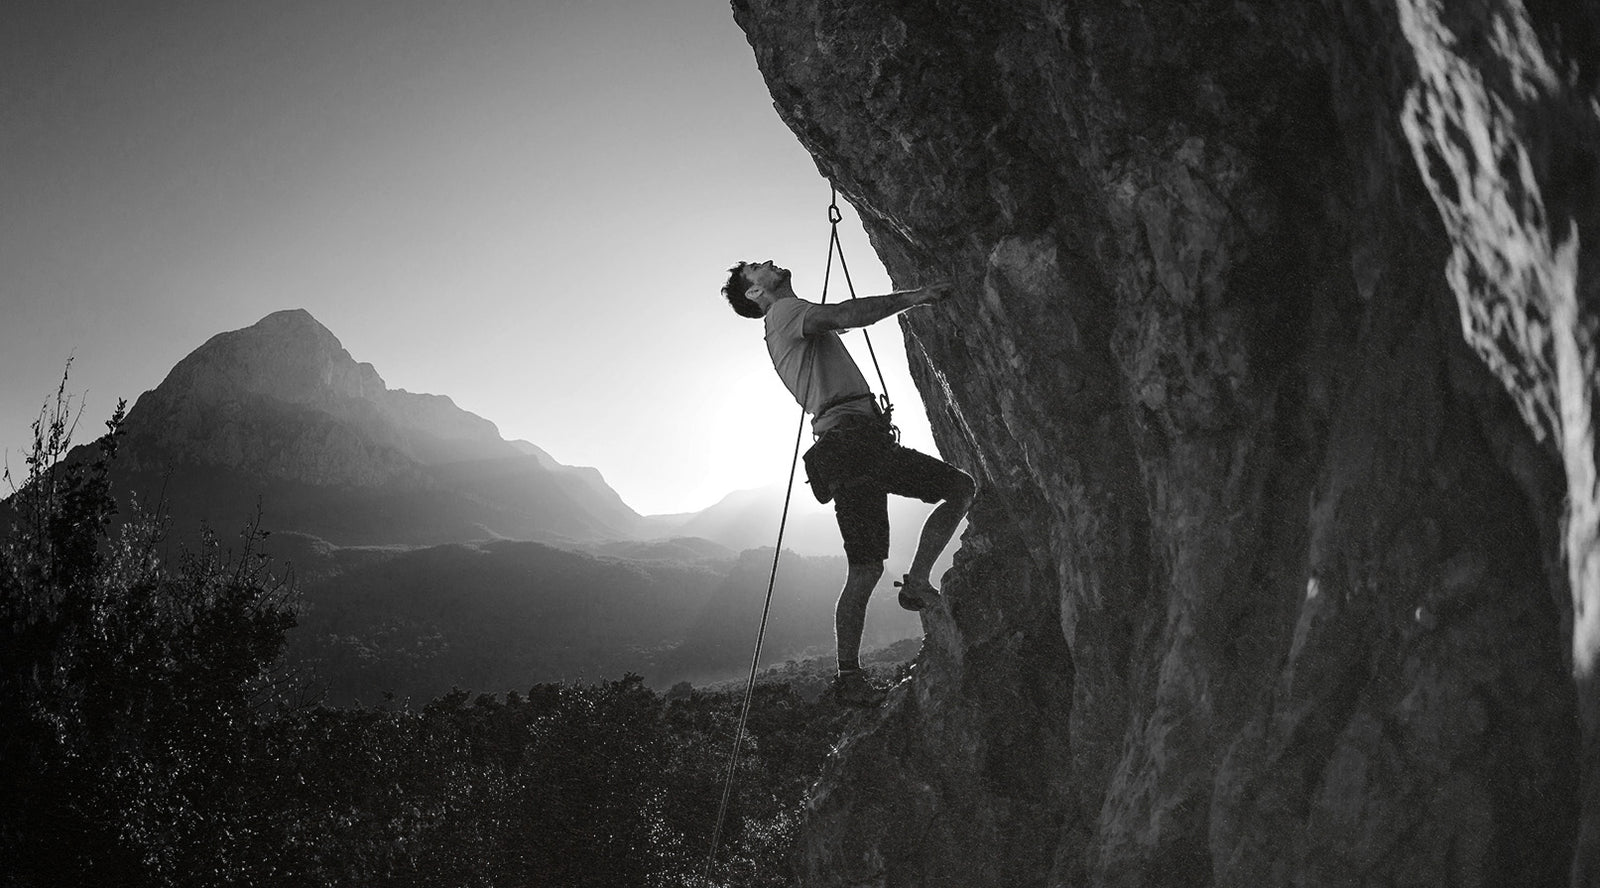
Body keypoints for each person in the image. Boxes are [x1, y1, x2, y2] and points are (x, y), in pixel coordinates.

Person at [721, 259, 976, 707]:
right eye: (756, 270)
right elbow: (845, 315)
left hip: (861, 443)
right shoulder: (783, 314)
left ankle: (914, 586)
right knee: (869, 564)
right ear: (755, 295)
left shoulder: (790, 321)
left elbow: (834, 322)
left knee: (956, 490)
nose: (768, 263)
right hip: (852, 445)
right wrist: (915, 297)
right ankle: (849, 675)